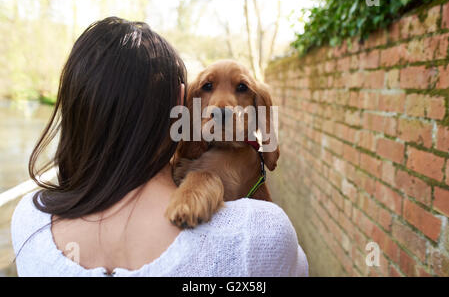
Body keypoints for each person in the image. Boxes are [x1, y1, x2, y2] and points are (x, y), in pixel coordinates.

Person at [10, 17, 308, 277]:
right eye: (206, 87)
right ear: (183, 103)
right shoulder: (262, 234)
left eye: (241, 88)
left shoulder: (29, 221)